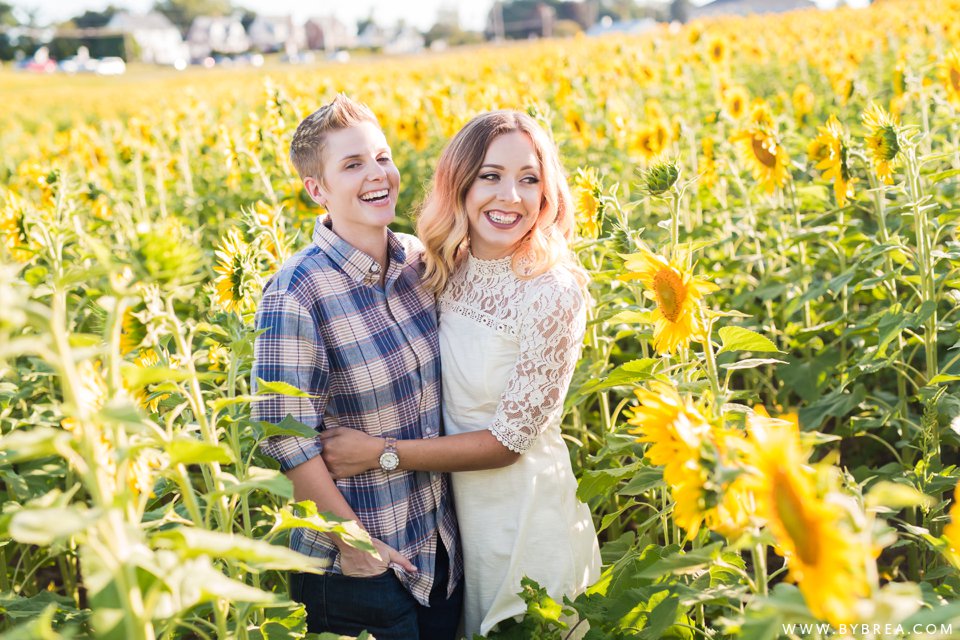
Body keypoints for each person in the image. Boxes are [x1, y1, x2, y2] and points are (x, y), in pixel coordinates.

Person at [319, 110, 601, 637]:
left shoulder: (551, 293)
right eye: (490, 176)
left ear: (547, 193)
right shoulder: (440, 267)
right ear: (461, 183)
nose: (510, 197)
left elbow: (507, 443)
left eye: (529, 179)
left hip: (525, 516)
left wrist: (379, 452)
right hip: (456, 529)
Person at [251, 94, 463, 640]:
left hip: (435, 548)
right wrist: (357, 547)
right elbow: (285, 438)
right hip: (358, 566)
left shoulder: (419, 262)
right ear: (316, 190)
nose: (378, 175)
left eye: (382, 157)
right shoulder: (296, 292)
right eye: (352, 165)